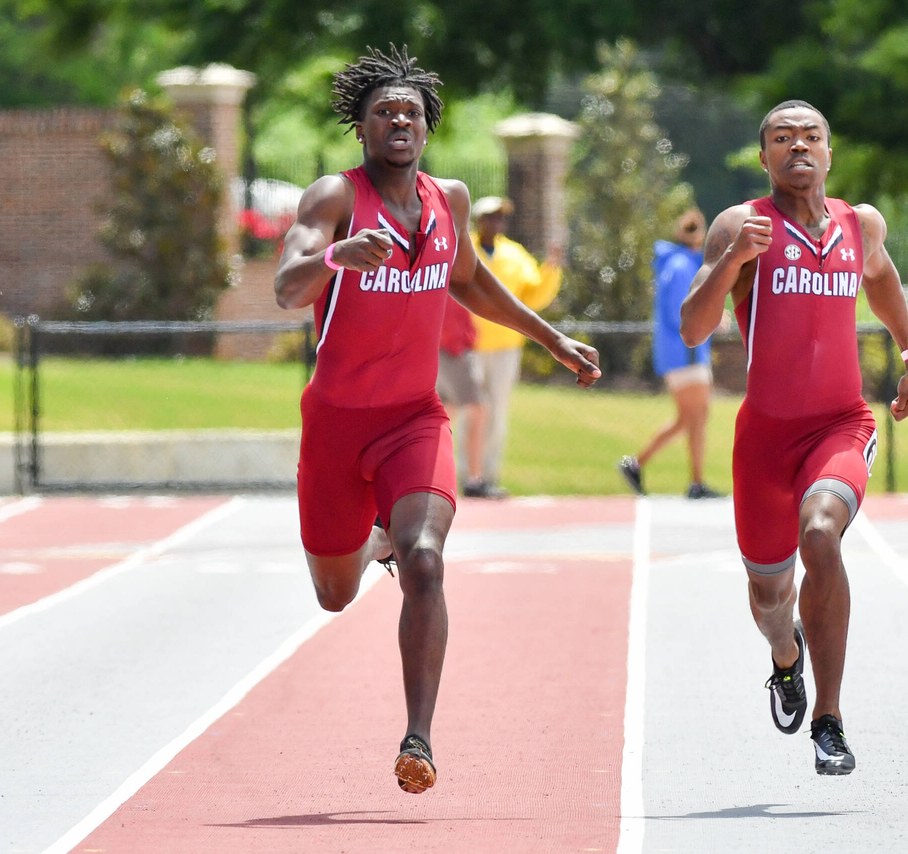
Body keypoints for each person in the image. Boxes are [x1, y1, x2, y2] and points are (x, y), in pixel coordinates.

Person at [273, 46, 600, 795]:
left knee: (425, 560)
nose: (399, 121)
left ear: (428, 129)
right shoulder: (334, 198)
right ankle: (369, 538)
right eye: (383, 111)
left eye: (411, 112)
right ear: (360, 129)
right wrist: (339, 257)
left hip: (414, 419)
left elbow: (475, 285)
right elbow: (287, 288)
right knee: (333, 595)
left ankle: (418, 738)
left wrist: (552, 338)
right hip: (335, 425)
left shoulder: (447, 199)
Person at [679, 100, 908, 775]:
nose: (798, 149)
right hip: (763, 441)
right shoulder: (742, 225)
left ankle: (830, 719)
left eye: (811, 137)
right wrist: (732, 258)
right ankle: (787, 657)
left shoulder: (858, 223)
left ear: (829, 150)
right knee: (768, 599)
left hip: (840, 423)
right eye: (782, 140)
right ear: (764, 158)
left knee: (821, 532)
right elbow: (693, 328)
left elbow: (882, 279)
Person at [619, 209, 723, 499]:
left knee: (691, 418)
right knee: (694, 418)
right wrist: (712, 318)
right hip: (685, 352)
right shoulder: (681, 266)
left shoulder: (682, 263)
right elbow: (682, 313)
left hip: (683, 352)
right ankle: (650, 467)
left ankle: (689, 480)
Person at [464, 196, 564, 498]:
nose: (495, 223)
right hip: (467, 346)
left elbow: (533, 297)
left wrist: (551, 268)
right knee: (466, 412)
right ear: (478, 220)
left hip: (505, 346)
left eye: (500, 218)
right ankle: (465, 476)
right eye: (490, 217)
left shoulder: (514, 254)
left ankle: (488, 477)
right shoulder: (465, 247)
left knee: (496, 411)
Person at [435, 299, 489, 492]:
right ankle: (473, 480)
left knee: (444, 414)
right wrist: (456, 344)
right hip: (452, 350)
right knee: (477, 410)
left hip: (449, 348)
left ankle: (433, 473)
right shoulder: (446, 271)